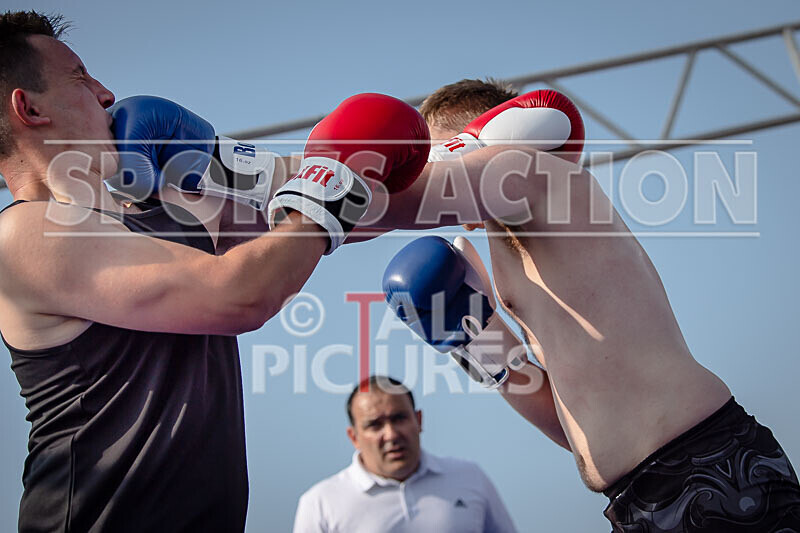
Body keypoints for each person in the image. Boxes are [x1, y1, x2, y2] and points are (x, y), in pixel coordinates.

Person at [0, 11, 431, 532]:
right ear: (28, 107)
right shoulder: (23, 237)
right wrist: (328, 186)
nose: (106, 93)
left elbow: (338, 213)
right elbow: (242, 294)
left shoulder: (161, 212)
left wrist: (484, 159)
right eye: (79, 77)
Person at [379, 79, 800, 531]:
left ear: (479, 137)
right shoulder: (509, 245)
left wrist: (314, 190)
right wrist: (479, 342)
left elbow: (412, 198)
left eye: (432, 154)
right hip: (637, 497)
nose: (423, 169)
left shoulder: (535, 177)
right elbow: (571, 423)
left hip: (703, 461)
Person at [292, 375, 517, 533]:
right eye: (374, 425)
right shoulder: (321, 503)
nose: (390, 434)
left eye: (399, 418)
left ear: (418, 420)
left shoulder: (470, 477)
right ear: (354, 437)